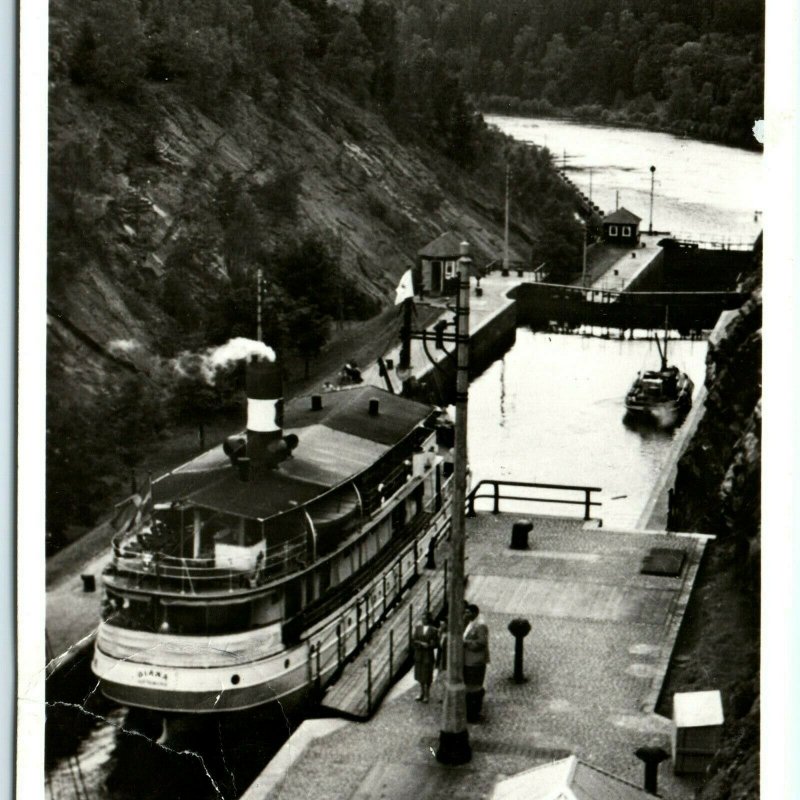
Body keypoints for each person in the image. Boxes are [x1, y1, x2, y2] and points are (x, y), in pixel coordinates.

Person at [463, 603, 490, 721]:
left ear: (474, 613)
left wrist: (466, 642)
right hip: (468, 660)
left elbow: (481, 642)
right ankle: (470, 710)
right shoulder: (469, 624)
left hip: (475, 661)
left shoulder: (480, 626)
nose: (465, 614)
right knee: (469, 686)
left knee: (474, 687)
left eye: (468, 612)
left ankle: (474, 712)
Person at [412, 612, 439, 703]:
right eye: (422, 618)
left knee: (427, 675)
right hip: (419, 654)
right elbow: (414, 640)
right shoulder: (418, 628)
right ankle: (421, 692)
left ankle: (427, 694)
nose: (423, 620)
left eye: (425, 619)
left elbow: (436, 643)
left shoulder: (434, 630)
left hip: (428, 655)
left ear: (429, 619)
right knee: (419, 674)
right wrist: (420, 644)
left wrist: (429, 645)